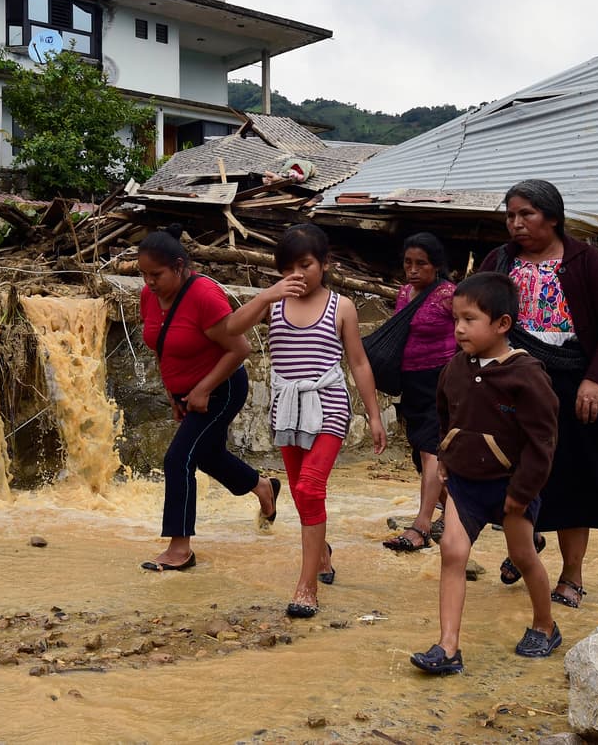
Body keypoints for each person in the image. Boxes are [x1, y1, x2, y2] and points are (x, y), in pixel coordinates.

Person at [483, 179, 598, 610]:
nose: (516, 223)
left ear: (552, 217)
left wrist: (595, 380)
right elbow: (477, 313)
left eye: (526, 214)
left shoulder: (587, 262)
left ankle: (572, 575)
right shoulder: (499, 262)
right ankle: (525, 546)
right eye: (510, 215)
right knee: (512, 473)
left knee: (574, 480)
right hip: (513, 382)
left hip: (573, 383)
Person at [225, 224, 387, 618]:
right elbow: (230, 329)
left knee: (311, 489)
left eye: (305, 265)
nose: (296, 274)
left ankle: (306, 586)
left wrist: (374, 415)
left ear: (324, 264)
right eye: (287, 268)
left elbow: (359, 362)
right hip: (287, 409)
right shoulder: (274, 303)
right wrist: (267, 294)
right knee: (300, 494)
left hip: (328, 407)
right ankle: (322, 555)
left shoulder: (342, 307)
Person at [409, 272, 561, 675]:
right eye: (455, 319)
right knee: (452, 552)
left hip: (511, 486)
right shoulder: (454, 370)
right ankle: (448, 646)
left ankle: (545, 625)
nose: (459, 329)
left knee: (523, 556)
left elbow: (542, 441)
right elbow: (446, 416)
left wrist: (522, 492)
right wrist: (445, 456)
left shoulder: (526, 375)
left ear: (502, 324)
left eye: (470, 319)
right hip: (464, 485)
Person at [137, 226, 280, 571]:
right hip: (187, 391)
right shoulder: (149, 297)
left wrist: (202, 389)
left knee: (178, 459)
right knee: (208, 456)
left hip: (223, 388)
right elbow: (161, 345)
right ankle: (263, 487)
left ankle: (180, 549)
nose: (149, 282)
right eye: (143, 275)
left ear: (179, 267)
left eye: (156, 275)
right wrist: (173, 393)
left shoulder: (204, 296)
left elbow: (240, 348)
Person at [383, 232, 457, 553]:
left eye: (421, 264)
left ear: (436, 265)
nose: (412, 270)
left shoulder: (449, 296)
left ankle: (421, 526)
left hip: (442, 382)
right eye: (408, 263)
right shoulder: (404, 293)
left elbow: (469, 330)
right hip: (412, 382)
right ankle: (457, 512)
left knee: (431, 452)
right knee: (420, 453)